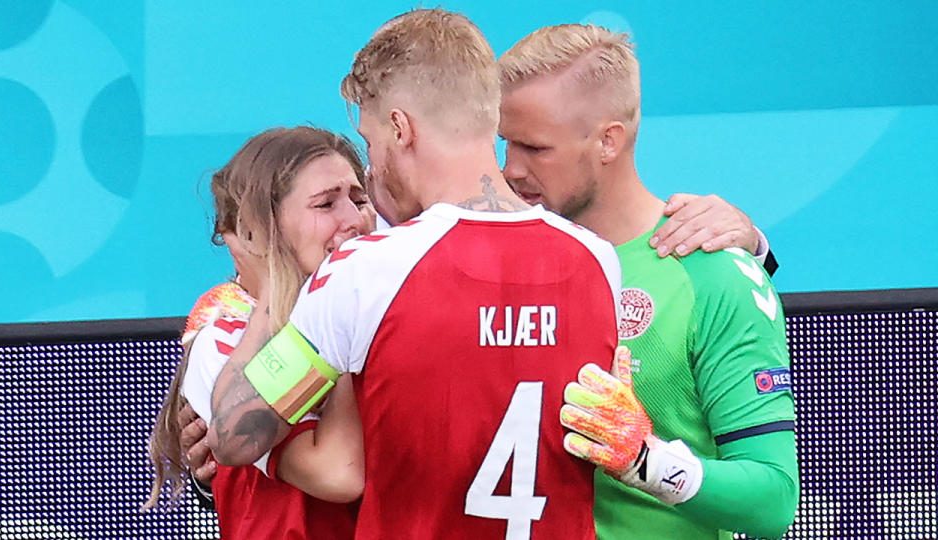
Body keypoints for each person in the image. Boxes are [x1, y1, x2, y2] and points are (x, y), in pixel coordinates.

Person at [206, 9, 623, 539]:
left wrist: (265, 277)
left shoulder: (364, 271)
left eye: (371, 138)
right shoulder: (596, 259)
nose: (372, 163)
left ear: (400, 128)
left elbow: (236, 435)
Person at [497, 24, 798, 539]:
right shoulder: (499, 261)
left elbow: (772, 499)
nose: (510, 170)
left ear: (609, 141)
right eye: (506, 144)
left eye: (535, 148)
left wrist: (645, 462)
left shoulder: (713, 273)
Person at [145, 126, 371, 539]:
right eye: (326, 204)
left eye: (360, 199)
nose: (354, 219)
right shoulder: (224, 339)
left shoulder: (389, 308)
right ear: (256, 230)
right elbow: (339, 474)